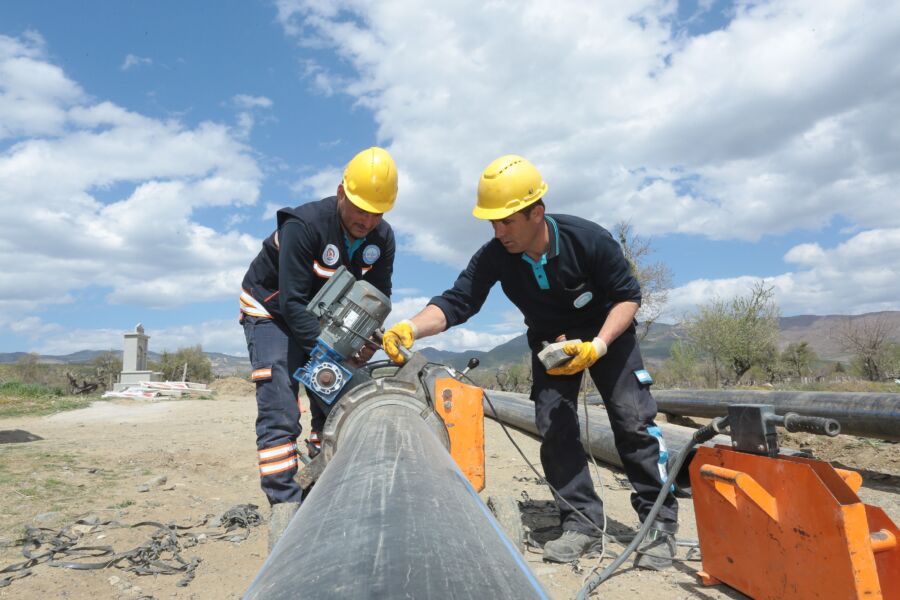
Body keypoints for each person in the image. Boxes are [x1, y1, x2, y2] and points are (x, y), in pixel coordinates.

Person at [382, 155, 677, 567]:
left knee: (632, 418)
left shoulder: (588, 240)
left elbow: (628, 297)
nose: (498, 232)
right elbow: (458, 301)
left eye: (507, 222)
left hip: (608, 333)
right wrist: (411, 328)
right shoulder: (496, 256)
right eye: (492, 223)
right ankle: (580, 523)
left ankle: (659, 526)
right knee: (553, 422)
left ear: (536, 212)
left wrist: (599, 345)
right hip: (549, 341)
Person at [239, 147, 397, 547]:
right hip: (271, 309)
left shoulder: (382, 238)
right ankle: (285, 506)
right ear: (341, 191)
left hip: (321, 316)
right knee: (280, 402)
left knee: (338, 393)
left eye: (377, 212)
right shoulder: (304, 224)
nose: (367, 220)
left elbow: (376, 297)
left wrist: (362, 344)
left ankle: (323, 475)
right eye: (360, 208)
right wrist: (332, 355)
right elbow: (292, 302)